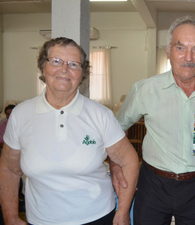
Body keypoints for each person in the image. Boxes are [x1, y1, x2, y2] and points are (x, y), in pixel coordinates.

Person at [0, 37, 139, 225]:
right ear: (43, 66)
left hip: (96, 217)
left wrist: (122, 211)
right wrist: (11, 217)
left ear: (82, 74)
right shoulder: (20, 115)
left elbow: (129, 160)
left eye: (74, 64)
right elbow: (9, 169)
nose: (64, 69)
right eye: (56, 61)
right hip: (40, 220)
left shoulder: (100, 115)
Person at [114, 16, 195, 225]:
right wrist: (118, 165)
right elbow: (116, 130)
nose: (188, 57)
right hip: (152, 184)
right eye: (180, 48)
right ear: (168, 51)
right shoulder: (145, 89)